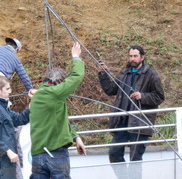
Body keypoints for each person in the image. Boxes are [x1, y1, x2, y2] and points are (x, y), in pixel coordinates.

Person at [98, 45, 165, 178]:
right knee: (114, 153)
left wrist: (143, 96)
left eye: (135, 56)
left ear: (142, 57)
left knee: (135, 160)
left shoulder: (151, 74)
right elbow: (111, 90)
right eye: (130, 56)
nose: (132, 59)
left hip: (139, 124)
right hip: (121, 122)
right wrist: (103, 74)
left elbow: (159, 97)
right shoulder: (124, 73)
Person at [29, 42, 86, 178]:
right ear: (58, 83)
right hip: (56, 154)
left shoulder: (37, 96)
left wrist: (75, 137)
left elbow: (58, 120)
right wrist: (75, 57)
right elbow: (77, 76)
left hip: (37, 155)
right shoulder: (55, 92)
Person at [0, 75, 31, 179]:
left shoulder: (3, 107)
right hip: (1, 160)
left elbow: (20, 119)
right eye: (7, 89)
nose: (10, 91)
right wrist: (8, 151)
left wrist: (33, 104)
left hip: (5, 160)